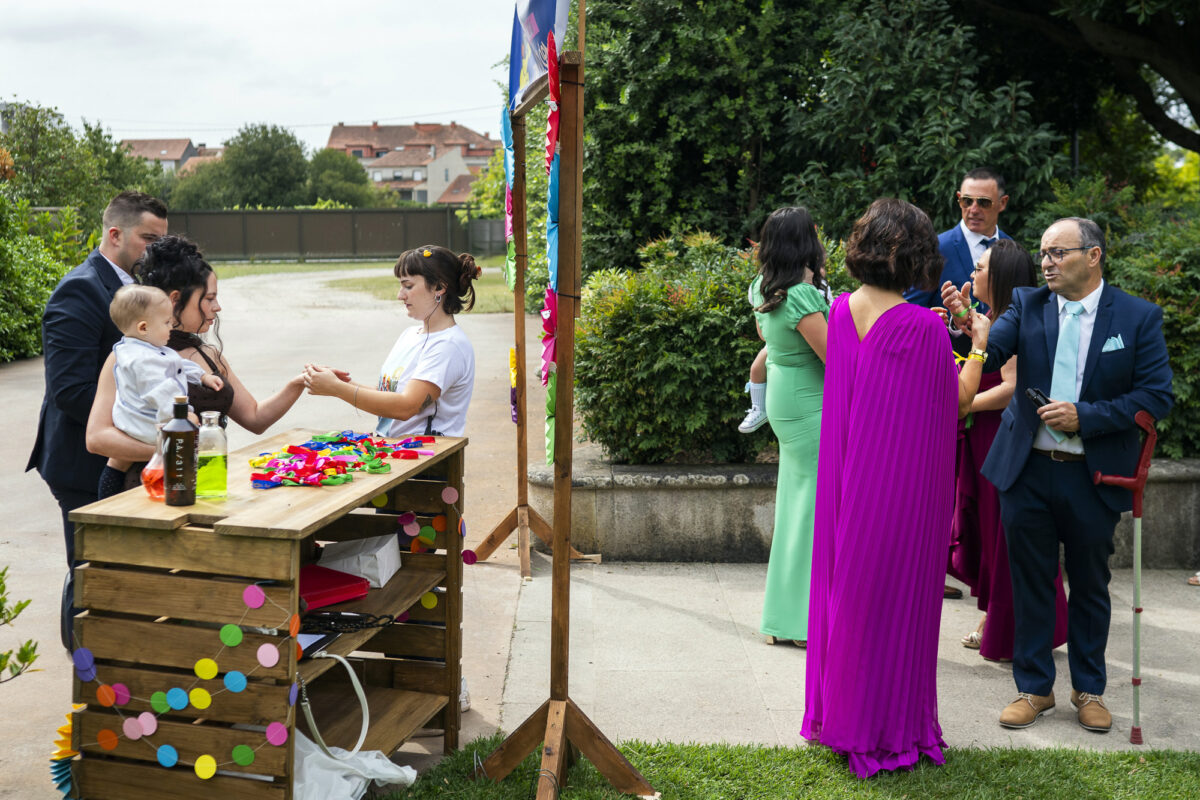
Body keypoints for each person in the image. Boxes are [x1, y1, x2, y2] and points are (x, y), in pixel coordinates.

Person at [942, 217, 1173, 732]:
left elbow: (1156, 396)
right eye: (1044, 253)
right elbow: (992, 351)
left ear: (1093, 256)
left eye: (1058, 253)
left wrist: (1085, 417)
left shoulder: (1136, 317)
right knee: (1029, 582)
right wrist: (968, 326)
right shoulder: (1027, 304)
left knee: (1090, 584)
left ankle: (1089, 689)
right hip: (1026, 470)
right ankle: (1033, 688)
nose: (1046, 262)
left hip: (1092, 475)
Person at [803, 198, 978, 777]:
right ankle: (881, 725)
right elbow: (957, 402)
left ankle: (840, 713)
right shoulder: (921, 326)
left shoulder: (839, 310)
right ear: (915, 255)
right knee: (893, 600)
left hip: (847, 476)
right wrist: (977, 342)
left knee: (849, 594)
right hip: (898, 484)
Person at [26, 191, 168, 649]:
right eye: (148, 239)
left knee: (115, 573)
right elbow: (70, 391)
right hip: (80, 462)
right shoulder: (80, 289)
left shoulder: (139, 289)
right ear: (115, 234)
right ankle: (83, 665)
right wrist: (139, 432)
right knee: (91, 575)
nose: (155, 250)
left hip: (120, 456)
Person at [87, 235, 306, 498]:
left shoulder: (210, 355)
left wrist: (298, 384)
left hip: (205, 485)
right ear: (176, 299)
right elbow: (97, 438)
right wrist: (177, 449)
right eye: (209, 298)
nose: (218, 307)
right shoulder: (127, 358)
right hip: (146, 487)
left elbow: (255, 418)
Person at [943, 241, 1068, 663]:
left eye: (980, 268)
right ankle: (998, 618)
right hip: (984, 435)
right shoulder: (998, 317)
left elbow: (1011, 387)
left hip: (1002, 436)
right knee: (991, 533)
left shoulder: (1022, 320)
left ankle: (1006, 626)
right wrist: (964, 321)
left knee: (1004, 536)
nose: (973, 273)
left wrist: (961, 405)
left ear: (998, 277)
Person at [303, 245, 480, 440]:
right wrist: (339, 382)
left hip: (427, 456)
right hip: (395, 449)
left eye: (408, 286)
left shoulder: (448, 346)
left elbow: (406, 407)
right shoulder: (410, 335)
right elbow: (388, 394)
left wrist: (337, 388)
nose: (400, 295)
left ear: (439, 287)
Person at [751, 207, 829, 647]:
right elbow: (835, 356)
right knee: (810, 512)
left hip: (784, 397)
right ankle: (801, 623)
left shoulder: (762, 287)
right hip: (808, 403)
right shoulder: (801, 296)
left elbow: (768, 338)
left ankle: (782, 618)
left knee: (795, 507)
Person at [107, 284, 224, 450]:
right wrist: (181, 416)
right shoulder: (143, 360)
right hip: (147, 426)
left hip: (136, 422)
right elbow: (162, 391)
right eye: (166, 322)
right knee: (192, 427)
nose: (171, 327)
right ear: (143, 328)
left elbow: (178, 364)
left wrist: (202, 376)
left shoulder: (143, 349)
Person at [905, 167, 1011, 310]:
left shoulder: (1012, 249)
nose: (974, 210)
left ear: (1002, 203)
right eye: (967, 201)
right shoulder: (935, 249)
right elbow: (909, 308)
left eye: (983, 202)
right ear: (959, 198)